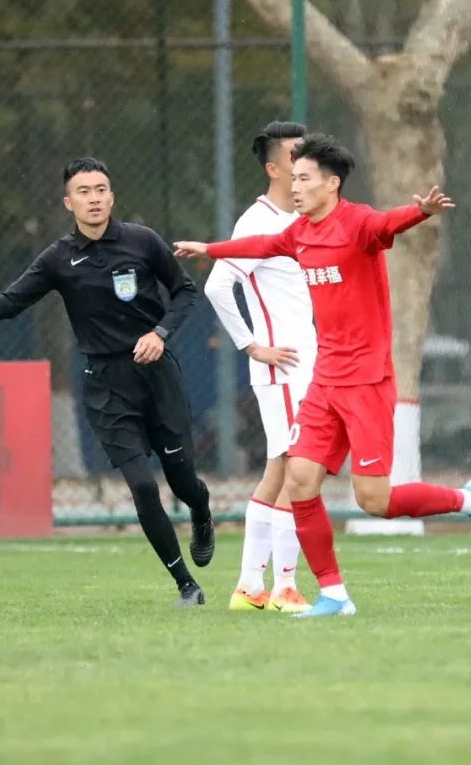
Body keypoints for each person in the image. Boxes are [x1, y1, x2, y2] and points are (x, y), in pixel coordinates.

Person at [174, 133, 471, 618]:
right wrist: (210, 247)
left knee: (375, 500)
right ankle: (334, 594)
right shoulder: (298, 231)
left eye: (305, 178)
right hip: (325, 380)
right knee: (301, 477)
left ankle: (469, 501)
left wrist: (424, 212)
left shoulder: (359, 224)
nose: (296, 185)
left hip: (367, 382)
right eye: (294, 177)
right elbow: (262, 244)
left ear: (331, 184)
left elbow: (391, 220)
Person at [0, 156, 216, 606]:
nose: (94, 198)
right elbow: (13, 300)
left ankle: (201, 510)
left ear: (112, 195)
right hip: (105, 384)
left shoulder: (142, 241)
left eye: (101, 189)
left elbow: (185, 291)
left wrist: (160, 333)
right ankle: (186, 585)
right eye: (84, 191)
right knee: (141, 484)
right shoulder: (59, 258)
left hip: (157, 376)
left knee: (183, 483)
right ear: (69, 202)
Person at [203, 121, 314, 614]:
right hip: (282, 365)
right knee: (298, 469)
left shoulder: (309, 217)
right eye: (294, 157)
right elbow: (216, 286)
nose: (303, 165)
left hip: (304, 362)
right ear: (273, 168)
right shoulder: (258, 221)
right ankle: (286, 587)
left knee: (279, 470)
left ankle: (250, 587)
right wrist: (253, 346)